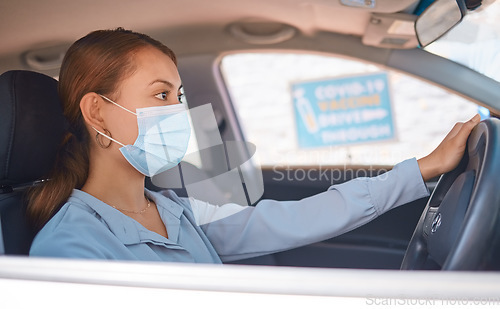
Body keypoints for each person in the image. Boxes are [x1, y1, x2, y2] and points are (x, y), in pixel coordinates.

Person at [28, 28, 481, 263]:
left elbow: (300, 218)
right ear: (98, 112)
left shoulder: (178, 211)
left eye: (179, 97)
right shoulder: (70, 246)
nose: (179, 112)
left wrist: (419, 170)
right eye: (161, 95)